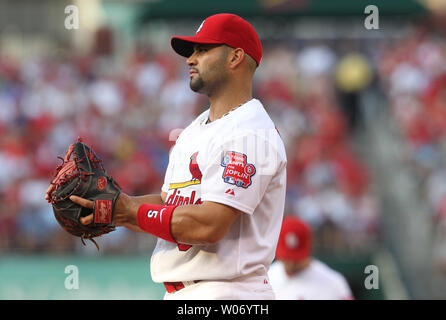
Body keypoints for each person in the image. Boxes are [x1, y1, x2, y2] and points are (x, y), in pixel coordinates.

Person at [62, 13, 287, 300]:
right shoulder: (195, 129)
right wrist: (108, 209)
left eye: (203, 50)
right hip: (186, 293)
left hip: (229, 293)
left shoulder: (250, 134)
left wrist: (129, 211)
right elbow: (171, 203)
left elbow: (210, 224)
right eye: (191, 52)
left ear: (236, 57)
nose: (190, 59)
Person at [268, 216, 353, 300]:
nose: (290, 263)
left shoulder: (334, 282)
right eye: (286, 258)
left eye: (296, 259)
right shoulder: (266, 277)